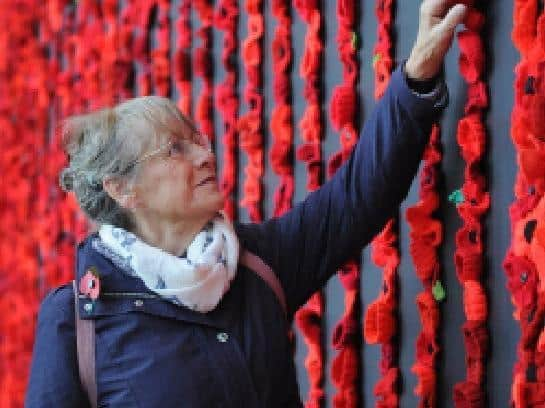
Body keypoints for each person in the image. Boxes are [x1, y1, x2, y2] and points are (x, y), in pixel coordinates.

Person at [25, 1, 466, 406]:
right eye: (175, 150)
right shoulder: (76, 319)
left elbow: (358, 196)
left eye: (197, 141)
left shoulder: (252, 265)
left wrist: (417, 76)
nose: (205, 156)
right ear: (123, 189)